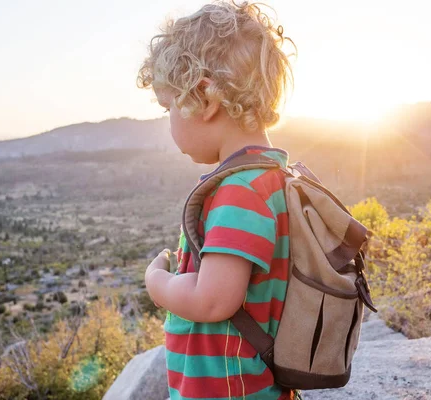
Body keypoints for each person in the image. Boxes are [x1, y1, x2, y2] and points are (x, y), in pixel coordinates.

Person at [138, 2, 299, 399]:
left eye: (168, 107)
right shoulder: (272, 177)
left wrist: (157, 283)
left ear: (204, 99)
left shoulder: (239, 191)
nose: (170, 121)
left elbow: (212, 301)